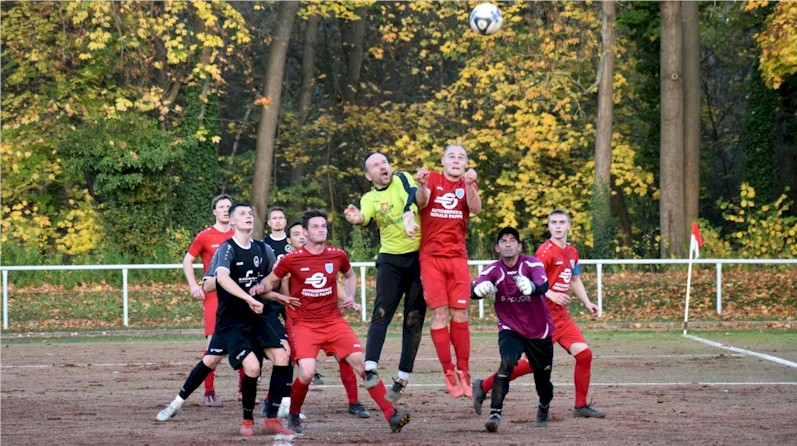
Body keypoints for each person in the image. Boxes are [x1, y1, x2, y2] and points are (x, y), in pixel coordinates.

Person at [261, 209, 411, 434]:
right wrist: (267, 293)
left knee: (363, 364)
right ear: (305, 232)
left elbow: (350, 276)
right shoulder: (292, 259)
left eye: (323, 226)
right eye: (315, 227)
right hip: (304, 324)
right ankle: (293, 412)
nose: (320, 230)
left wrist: (350, 297)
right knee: (307, 373)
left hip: (333, 321)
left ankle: (392, 415)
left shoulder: (337, 255)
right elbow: (269, 282)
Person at [159, 202, 299, 436]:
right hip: (231, 321)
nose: (248, 217)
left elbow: (264, 284)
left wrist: (275, 295)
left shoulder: (263, 249)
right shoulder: (226, 249)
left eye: (250, 214)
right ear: (231, 221)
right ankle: (178, 402)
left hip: (256, 317)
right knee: (215, 361)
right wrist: (247, 297)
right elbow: (219, 280)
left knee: (283, 355)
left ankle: (272, 416)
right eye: (242, 214)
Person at [472, 210, 607, 419]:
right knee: (529, 366)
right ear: (549, 226)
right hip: (543, 317)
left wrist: (588, 302)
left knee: (584, 355)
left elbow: (574, 279)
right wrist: (551, 293)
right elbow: (533, 280)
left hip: (562, 316)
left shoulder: (572, 252)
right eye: (553, 222)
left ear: (569, 226)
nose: (558, 226)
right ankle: (484, 385)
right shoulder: (544, 252)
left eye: (562, 222)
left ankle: (580, 406)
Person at [343, 151, 427, 403]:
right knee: (381, 313)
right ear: (369, 176)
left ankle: (402, 378)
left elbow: (411, 197)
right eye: (375, 165)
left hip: (417, 259)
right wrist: (357, 218)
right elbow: (365, 215)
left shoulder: (402, 178)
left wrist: (408, 216)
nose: (382, 167)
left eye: (384, 162)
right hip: (390, 259)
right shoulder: (369, 197)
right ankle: (370, 367)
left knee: (413, 319)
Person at [265, 220, 369, 419]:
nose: (301, 237)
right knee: (289, 361)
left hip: (327, 319)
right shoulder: (289, 261)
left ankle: (354, 402)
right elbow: (288, 299)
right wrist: (285, 284)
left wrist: (349, 300)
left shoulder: (324, 256)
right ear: (289, 240)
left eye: (302, 234)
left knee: (345, 357)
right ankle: (273, 401)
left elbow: (333, 283)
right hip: (298, 320)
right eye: (296, 234)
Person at [410, 143, 482, 398]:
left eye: (461, 157)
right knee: (440, 314)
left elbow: (475, 208)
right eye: (451, 156)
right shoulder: (432, 178)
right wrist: (420, 184)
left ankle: (464, 370)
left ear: (465, 163)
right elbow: (421, 202)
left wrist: (471, 185)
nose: (455, 160)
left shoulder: (467, 183)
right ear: (442, 160)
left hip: (457, 258)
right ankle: (448, 371)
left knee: (460, 314)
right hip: (431, 258)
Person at [471, 226, 554, 432]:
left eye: (512, 240)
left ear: (519, 246)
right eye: (503, 241)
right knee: (507, 363)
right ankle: (495, 414)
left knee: (543, 382)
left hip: (539, 330)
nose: (508, 244)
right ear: (497, 247)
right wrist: (477, 290)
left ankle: (543, 405)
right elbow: (475, 287)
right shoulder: (492, 270)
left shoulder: (532, 263)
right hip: (510, 328)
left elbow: (543, 285)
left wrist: (532, 288)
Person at [181, 194, 233, 407]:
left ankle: (242, 390)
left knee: (244, 338)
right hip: (213, 296)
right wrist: (194, 285)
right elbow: (187, 260)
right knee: (214, 342)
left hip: (236, 295)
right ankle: (209, 391)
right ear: (214, 211)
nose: (225, 210)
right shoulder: (205, 236)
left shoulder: (239, 235)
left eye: (229, 207)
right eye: (221, 207)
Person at [263, 207, 323, 386]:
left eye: (281, 217)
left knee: (299, 333)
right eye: (274, 218)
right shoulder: (264, 244)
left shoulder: (298, 242)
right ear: (269, 222)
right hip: (275, 297)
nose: (278, 221)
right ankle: (261, 365)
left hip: (294, 298)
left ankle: (310, 368)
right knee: (271, 332)